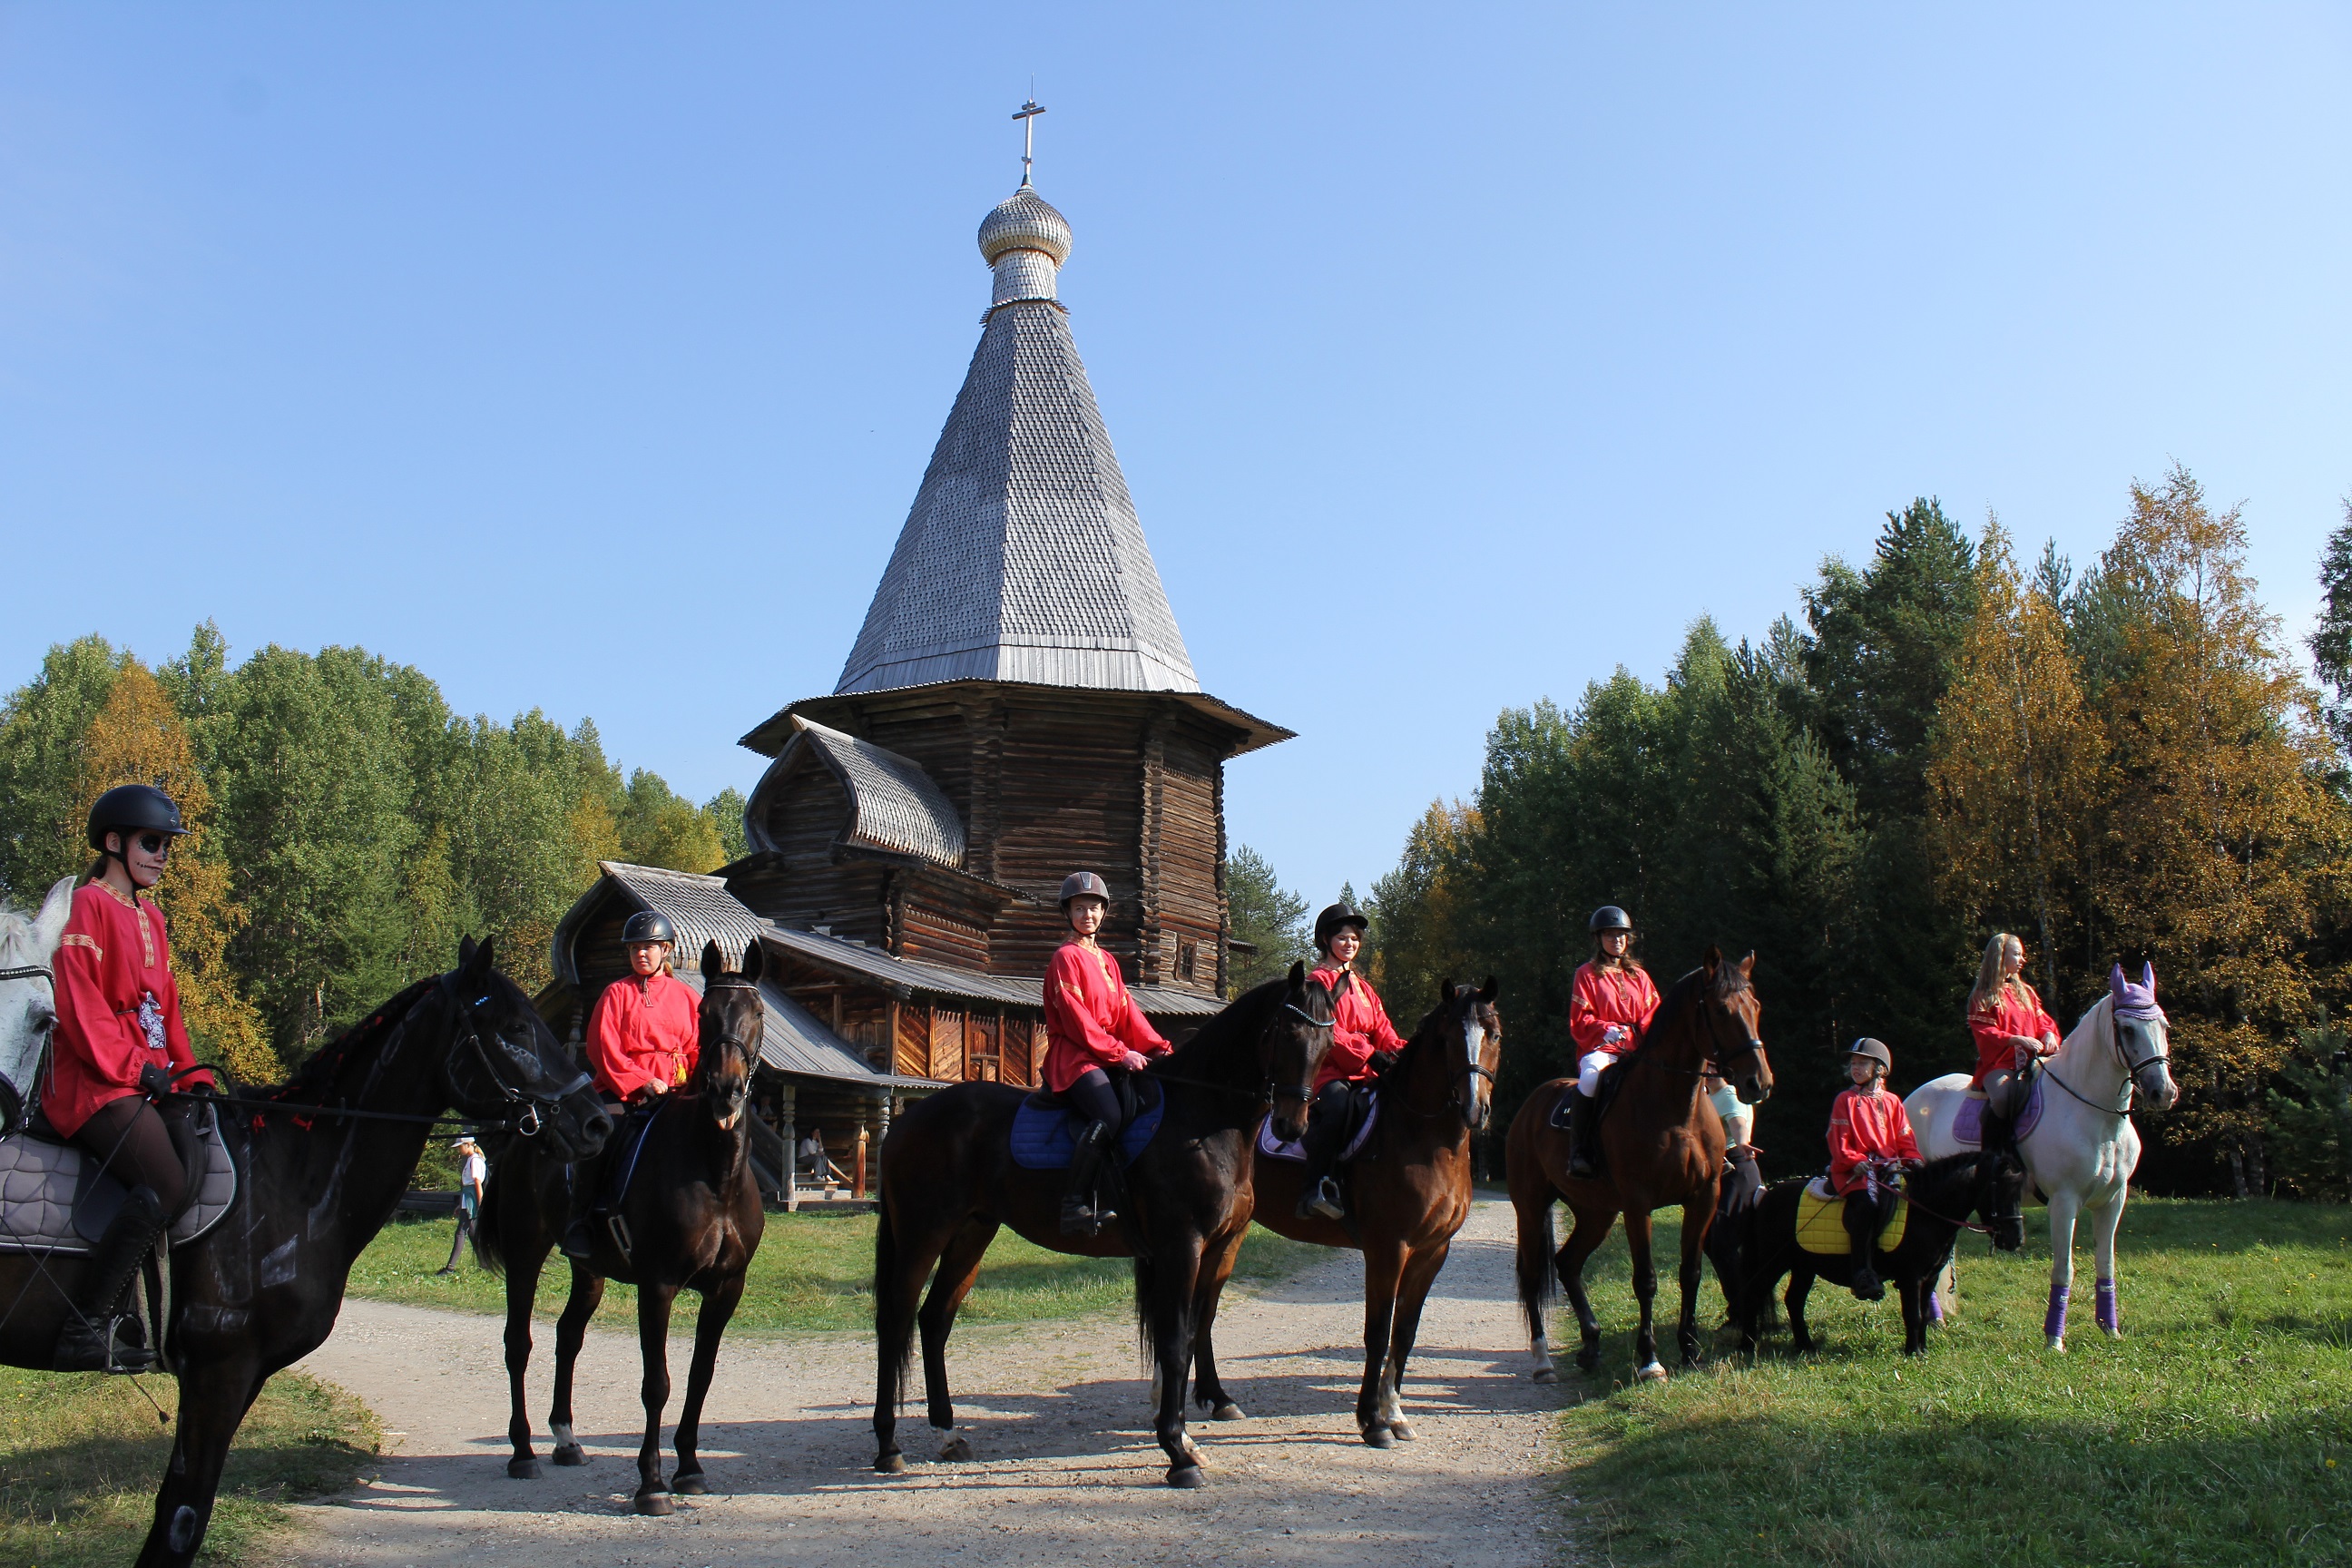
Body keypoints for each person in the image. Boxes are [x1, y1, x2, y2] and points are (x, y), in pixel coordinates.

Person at [45, 785, 217, 1370]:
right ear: (114, 843)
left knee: (198, 1159)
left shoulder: (153, 915)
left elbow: (165, 1009)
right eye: (151, 842)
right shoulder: (87, 905)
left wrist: (192, 1075)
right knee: (166, 1185)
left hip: (146, 1075)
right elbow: (79, 1004)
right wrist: (136, 1067)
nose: (162, 853)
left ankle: (156, 1321)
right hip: (92, 1079)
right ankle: (84, 1325)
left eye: (167, 844)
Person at [564, 910, 700, 1258]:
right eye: (634, 948)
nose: (641, 953)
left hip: (677, 1089)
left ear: (666, 950)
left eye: (649, 947)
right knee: (604, 1137)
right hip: (622, 1088)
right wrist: (642, 1081)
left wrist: (695, 1087)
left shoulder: (688, 997)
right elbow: (601, 1048)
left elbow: (698, 1049)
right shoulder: (615, 994)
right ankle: (580, 1221)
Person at [1041, 872, 1171, 1236]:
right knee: (1109, 1114)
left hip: (1108, 1053)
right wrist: (1120, 1054)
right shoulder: (1065, 958)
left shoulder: (1108, 961)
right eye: (1079, 908)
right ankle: (1074, 1205)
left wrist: (1159, 1047)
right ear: (1068, 913)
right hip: (1076, 1058)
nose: (1088, 915)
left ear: (1103, 913)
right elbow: (1076, 1021)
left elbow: (1128, 1013)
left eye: (1094, 908)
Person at [1296, 902, 1406, 1220]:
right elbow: (1328, 1031)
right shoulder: (1317, 982)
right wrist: (1369, 1054)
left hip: (1366, 1070)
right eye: (1342, 937)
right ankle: (1315, 1187)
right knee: (1338, 1109)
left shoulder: (1364, 987)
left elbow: (1383, 1029)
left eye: (1354, 938)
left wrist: (1403, 1052)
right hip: (1328, 1070)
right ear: (1326, 940)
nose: (1350, 944)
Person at [1563, 906, 1661, 1178]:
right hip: (1601, 1047)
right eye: (1610, 935)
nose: (1616, 940)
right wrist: (1604, 1029)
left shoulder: (1640, 977)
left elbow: (1653, 1015)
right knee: (1590, 1079)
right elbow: (1579, 1018)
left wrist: (1639, 1035)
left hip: (1637, 1049)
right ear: (1598, 939)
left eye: (1621, 935)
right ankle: (1579, 1152)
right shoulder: (1586, 974)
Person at [1826, 1038, 1921, 1301]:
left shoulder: (1892, 1101)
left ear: (1879, 1068)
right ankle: (1861, 1272)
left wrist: (1913, 1159)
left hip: (1886, 1170)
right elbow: (1838, 1142)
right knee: (1867, 1206)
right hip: (1853, 1171)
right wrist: (1854, 1161)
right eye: (1853, 1063)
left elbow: (1904, 1138)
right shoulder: (1845, 1100)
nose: (1855, 1068)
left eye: (1862, 1063)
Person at [1967, 933, 2061, 1159]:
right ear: (2000, 957)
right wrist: (2017, 1039)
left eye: (2022, 955)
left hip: (2034, 1061)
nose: (2022, 960)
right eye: (2017, 954)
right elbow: (1984, 1032)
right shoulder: (1983, 996)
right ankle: (1992, 1156)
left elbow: (2043, 1021)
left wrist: (2048, 1034)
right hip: (2000, 1063)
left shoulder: (2027, 992)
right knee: (2001, 1098)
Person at [438, 1135, 487, 1276]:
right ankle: (485, 1264)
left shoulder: (475, 1161)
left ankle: (450, 1268)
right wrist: (461, 1205)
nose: (459, 1150)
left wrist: (480, 1203)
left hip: (472, 1198)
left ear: (468, 1145)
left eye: (460, 1147)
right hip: (467, 1198)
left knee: (460, 1232)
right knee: (472, 1232)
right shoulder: (470, 1160)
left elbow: (477, 1184)